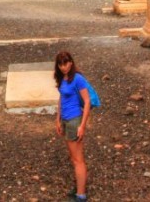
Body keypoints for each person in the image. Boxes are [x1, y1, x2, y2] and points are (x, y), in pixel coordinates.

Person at [54, 50, 91, 201]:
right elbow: (61, 98)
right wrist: (57, 119)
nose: (64, 67)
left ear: (71, 62)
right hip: (65, 120)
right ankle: (79, 188)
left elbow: (87, 101)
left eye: (66, 63)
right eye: (60, 64)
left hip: (75, 120)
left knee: (78, 160)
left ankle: (81, 195)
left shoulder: (78, 78)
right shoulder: (63, 77)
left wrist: (82, 126)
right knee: (73, 158)